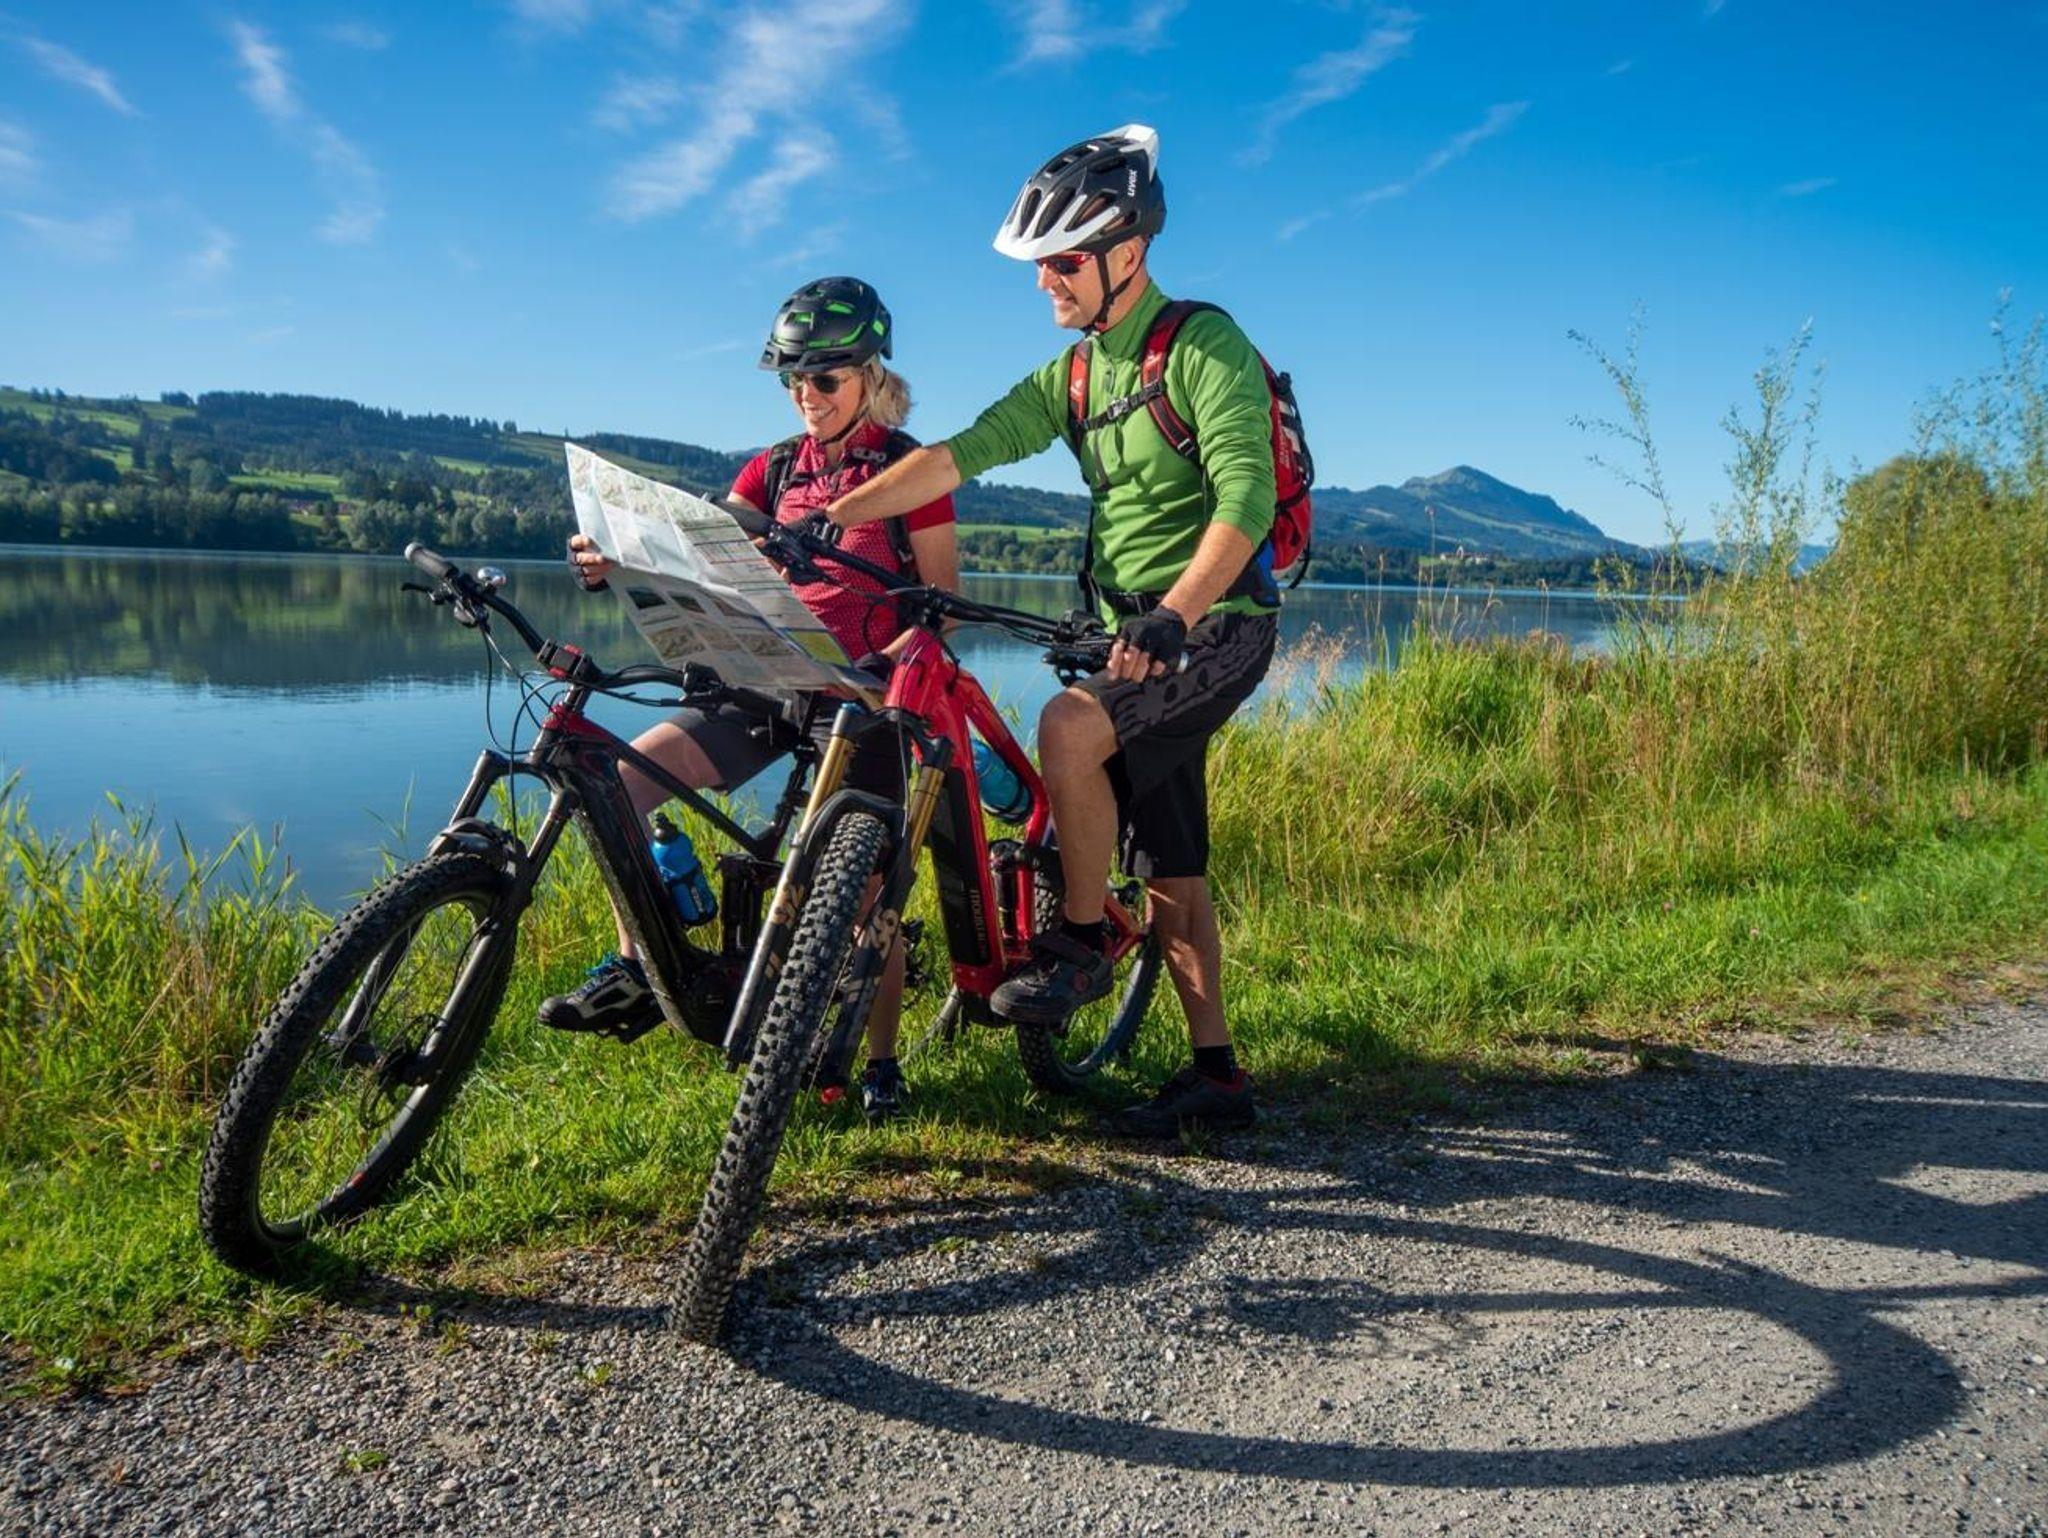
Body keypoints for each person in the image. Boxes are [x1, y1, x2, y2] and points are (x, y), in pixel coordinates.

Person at [822, 125, 1280, 1137]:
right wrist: (831, 517)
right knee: (1171, 862)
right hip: (1136, 636)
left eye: (1063, 262)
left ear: (1129, 252)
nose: (1044, 281)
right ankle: (1217, 1077)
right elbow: (958, 455)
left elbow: (1245, 498)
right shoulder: (1073, 377)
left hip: (1215, 623)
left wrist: (1173, 614)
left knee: (1069, 726)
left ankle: (1075, 941)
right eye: (1041, 264)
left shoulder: (1202, 346)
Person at [546, 275, 959, 1123]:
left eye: (824, 379)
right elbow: (697, 552)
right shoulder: (773, 468)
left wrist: (882, 668)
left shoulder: (910, 471)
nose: (806, 395)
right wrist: (614, 562)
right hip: (766, 681)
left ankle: (881, 1064)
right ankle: (640, 965)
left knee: (866, 888)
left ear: (871, 375)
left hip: (865, 697)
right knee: (623, 783)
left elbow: (941, 609)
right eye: (793, 380)